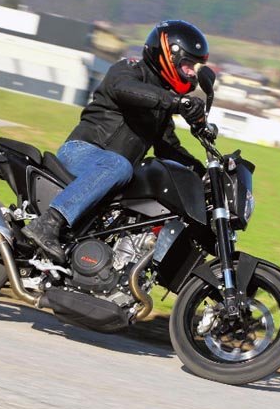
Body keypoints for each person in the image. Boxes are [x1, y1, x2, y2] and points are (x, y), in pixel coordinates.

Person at [22, 20, 210, 262]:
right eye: (188, 65)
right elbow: (125, 89)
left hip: (112, 172)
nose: (192, 73)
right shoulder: (129, 70)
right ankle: (48, 223)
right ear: (169, 55)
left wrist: (202, 174)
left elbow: (168, 148)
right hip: (82, 152)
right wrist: (176, 102)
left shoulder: (162, 106)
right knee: (119, 165)